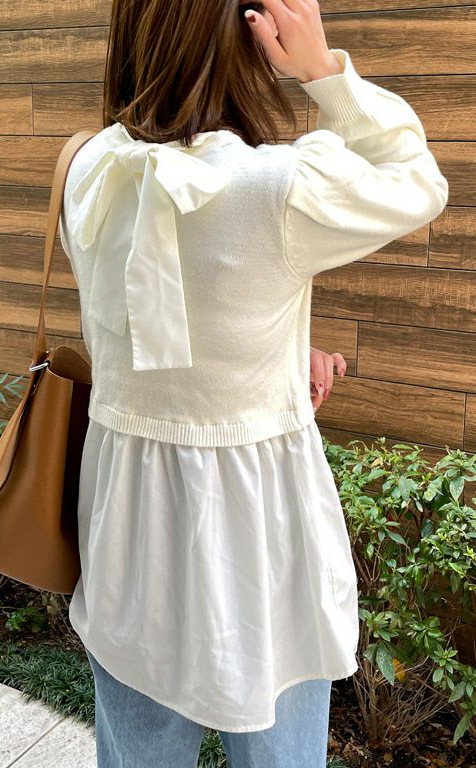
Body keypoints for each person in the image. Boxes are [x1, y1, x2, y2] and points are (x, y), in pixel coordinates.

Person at [59, 0, 449, 765]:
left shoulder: (90, 169)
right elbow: (417, 180)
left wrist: (279, 346)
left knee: (136, 753)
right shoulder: (278, 184)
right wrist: (322, 71)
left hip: (128, 519)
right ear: (246, 32)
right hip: (259, 530)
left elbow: (153, 320)